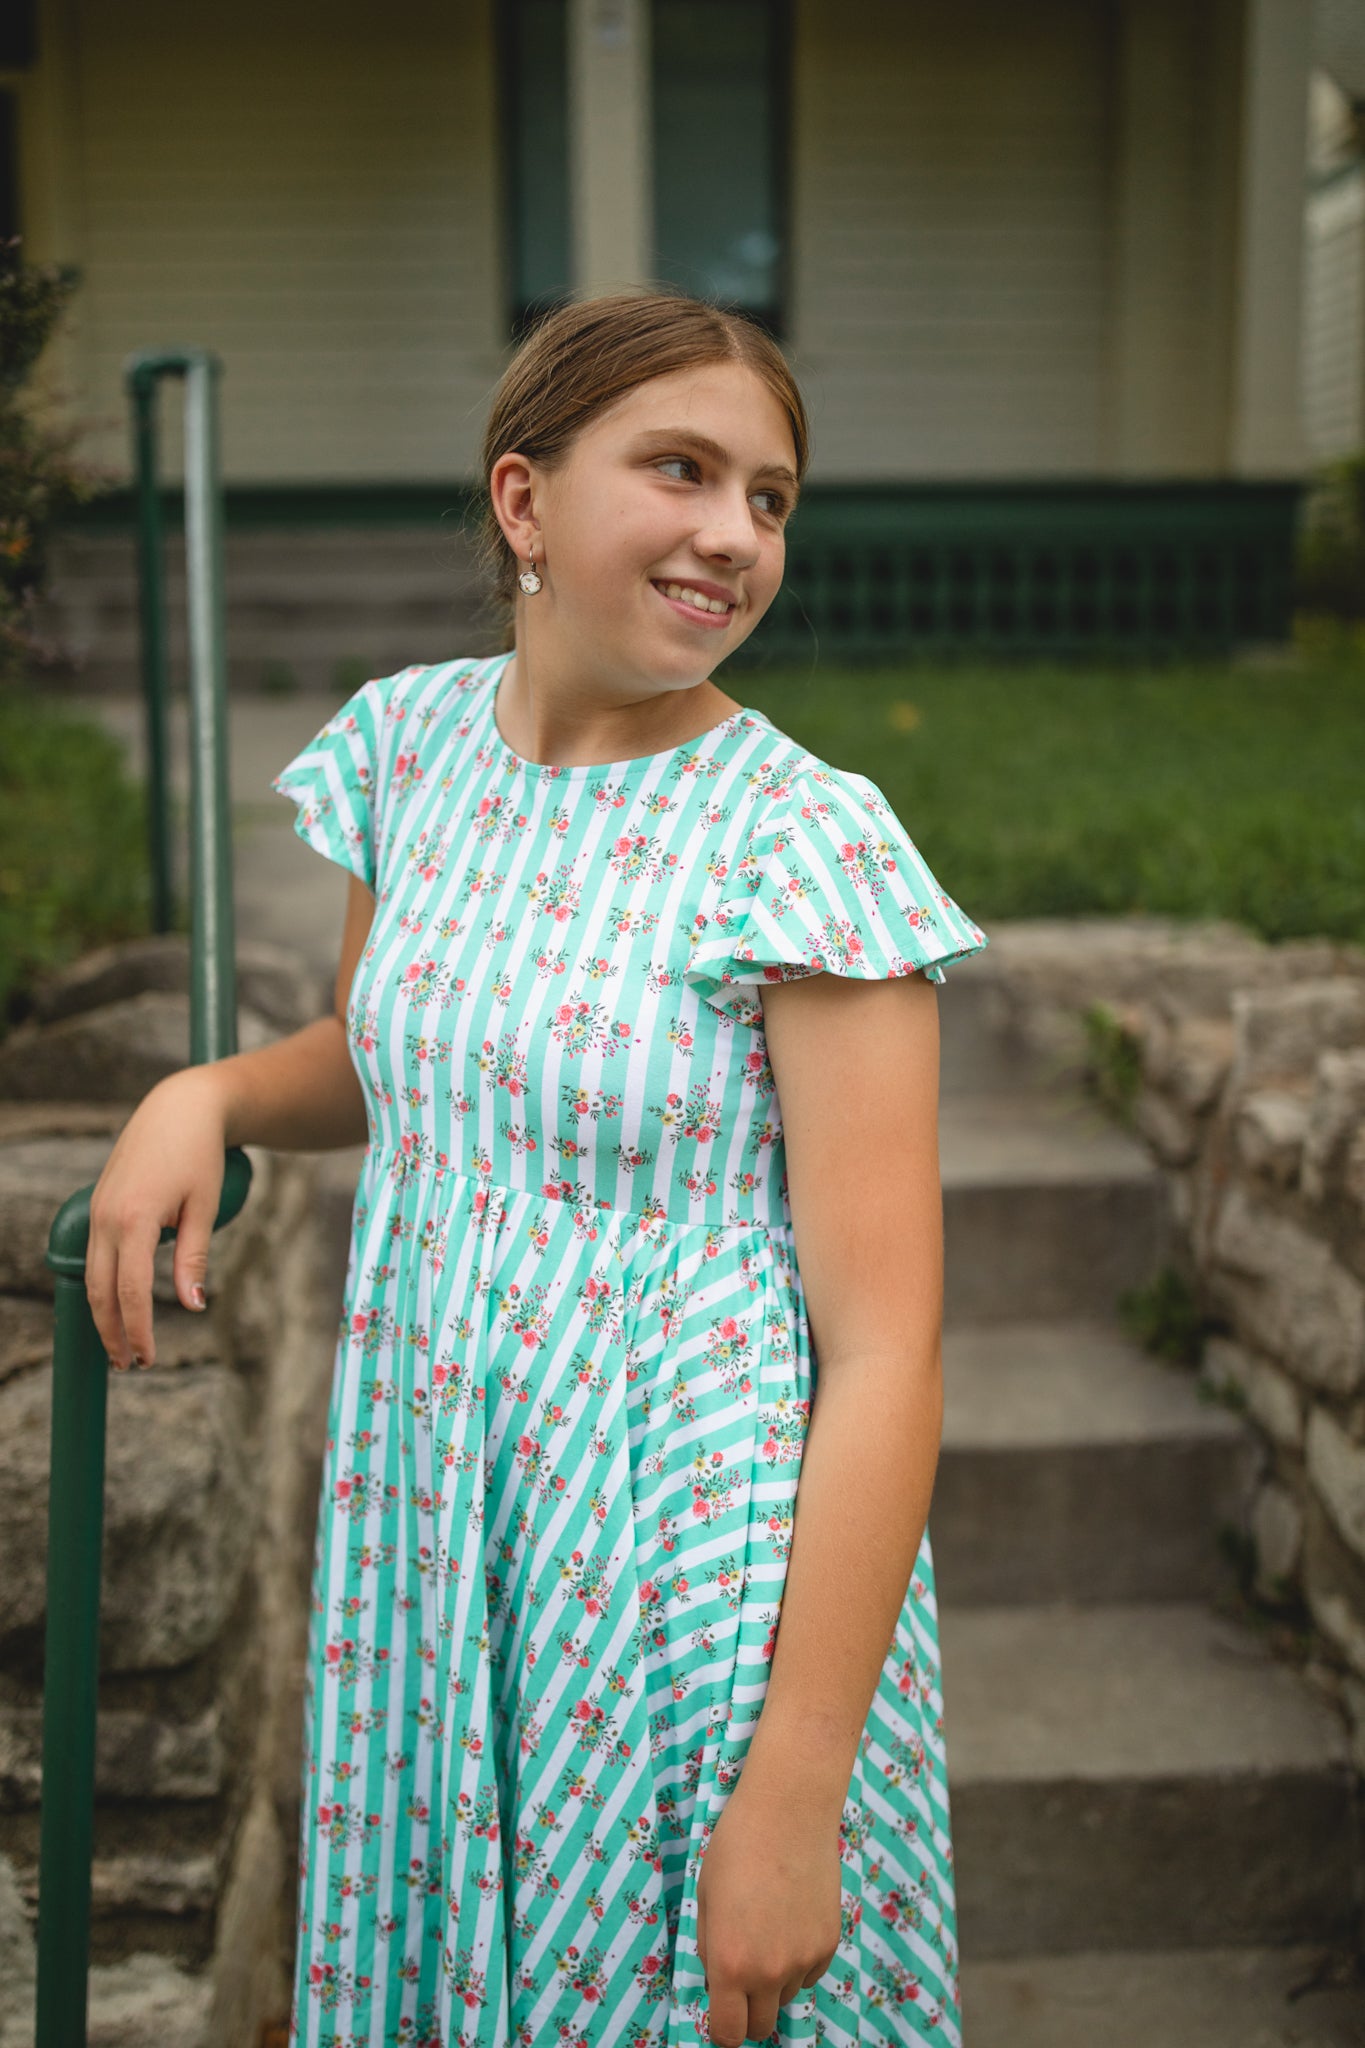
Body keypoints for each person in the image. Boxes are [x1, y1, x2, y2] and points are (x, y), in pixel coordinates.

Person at [85, 287, 990, 2048]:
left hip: (687, 1580)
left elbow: (888, 1354)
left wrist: (795, 1796)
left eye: (771, 497)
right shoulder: (409, 752)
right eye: (681, 470)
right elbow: (403, 1053)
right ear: (524, 501)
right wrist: (206, 1091)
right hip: (440, 1528)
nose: (733, 533)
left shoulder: (808, 844)